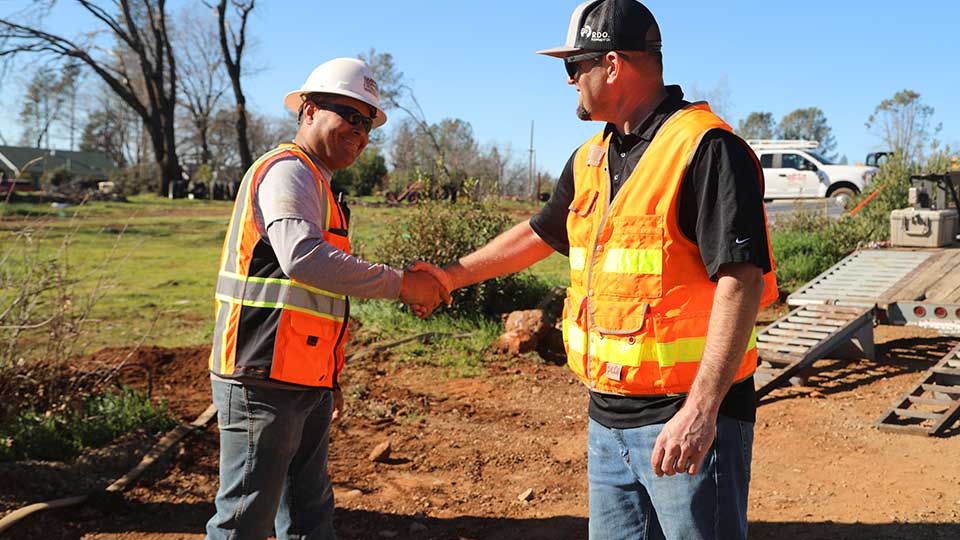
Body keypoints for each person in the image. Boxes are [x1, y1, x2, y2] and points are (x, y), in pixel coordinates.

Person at [415, 1, 779, 538]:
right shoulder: (591, 156)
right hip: (608, 422)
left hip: (687, 420)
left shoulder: (705, 147)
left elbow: (742, 280)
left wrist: (701, 412)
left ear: (611, 65)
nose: (570, 82)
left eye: (574, 67)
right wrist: (449, 277)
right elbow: (540, 234)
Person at [205, 58, 447, 540]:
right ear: (310, 110)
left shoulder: (320, 185)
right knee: (245, 518)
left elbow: (317, 303)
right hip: (261, 377)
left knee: (309, 510)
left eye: (367, 124)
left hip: (303, 377)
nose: (360, 133)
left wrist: (328, 378)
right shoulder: (288, 172)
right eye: (350, 116)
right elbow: (305, 261)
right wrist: (401, 283)